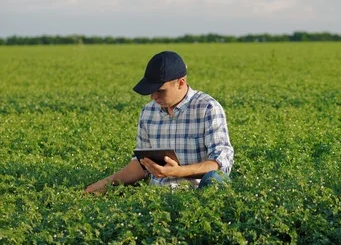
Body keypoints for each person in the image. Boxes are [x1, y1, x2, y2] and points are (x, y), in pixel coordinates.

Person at [85, 51, 234, 193]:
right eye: (151, 90)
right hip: (157, 197)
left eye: (160, 90)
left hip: (197, 196)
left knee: (215, 178)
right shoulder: (148, 112)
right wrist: (103, 185)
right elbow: (141, 164)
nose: (153, 96)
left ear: (180, 83)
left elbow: (220, 163)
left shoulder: (207, 108)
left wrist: (179, 172)